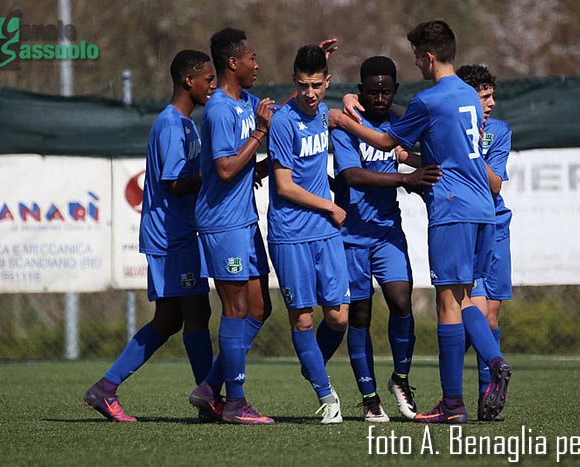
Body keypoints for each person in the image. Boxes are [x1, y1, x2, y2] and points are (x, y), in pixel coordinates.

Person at [330, 20, 512, 423]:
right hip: (483, 207)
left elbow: (384, 140)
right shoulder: (467, 93)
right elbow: (404, 122)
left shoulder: (429, 100)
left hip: (451, 207)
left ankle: (454, 402)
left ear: (428, 57)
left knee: (448, 302)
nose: (416, 64)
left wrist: (343, 121)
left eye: (416, 56)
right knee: (465, 298)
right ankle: (494, 363)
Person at [84, 50, 216, 422]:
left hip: (180, 233)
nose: (212, 86)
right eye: (208, 79)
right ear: (188, 80)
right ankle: (210, 399)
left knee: (172, 318)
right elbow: (174, 182)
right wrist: (221, 175)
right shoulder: (171, 125)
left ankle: (105, 389)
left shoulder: (187, 124)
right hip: (170, 236)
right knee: (194, 311)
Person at [330, 56, 441, 422]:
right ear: (361, 91)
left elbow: (415, 131)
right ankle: (369, 395)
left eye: (386, 90)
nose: (379, 97)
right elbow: (351, 175)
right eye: (372, 91)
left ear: (394, 90)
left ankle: (401, 379)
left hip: (386, 231)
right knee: (359, 314)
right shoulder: (347, 126)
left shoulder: (398, 119)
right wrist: (405, 179)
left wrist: (383, 103)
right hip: (351, 235)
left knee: (401, 300)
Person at [188, 28, 275, 425]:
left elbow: (277, 113)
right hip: (222, 225)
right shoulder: (220, 108)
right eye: (252, 58)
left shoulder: (247, 102)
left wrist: (316, 70)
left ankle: (210, 387)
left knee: (259, 307)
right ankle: (235, 403)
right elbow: (224, 169)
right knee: (236, 307)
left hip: (244, 220)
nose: (257, 65)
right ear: (233, 63)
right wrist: (259, 135)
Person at [267, 44, 350, 424]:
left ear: (327, 82)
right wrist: (330, 206)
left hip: (324, 232)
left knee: (338, 317)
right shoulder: (284, 123)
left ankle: (311, 362)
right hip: (290, 233)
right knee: (301, 319)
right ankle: (325, 394)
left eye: (317, 85)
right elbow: (283, 186)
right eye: (303, 85)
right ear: (294, 83)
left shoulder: (324, 116)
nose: (310, 93)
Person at [456, 64, 513, 422]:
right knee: (470, 309)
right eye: (483, 95)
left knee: (490, 315)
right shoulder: (449, 128)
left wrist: (474, 147)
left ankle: (486, 396)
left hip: (497, 224)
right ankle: (463, 393)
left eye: (491, 94)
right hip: (467, 226)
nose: (491, 102)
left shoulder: (499, 132)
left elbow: (495, 184)